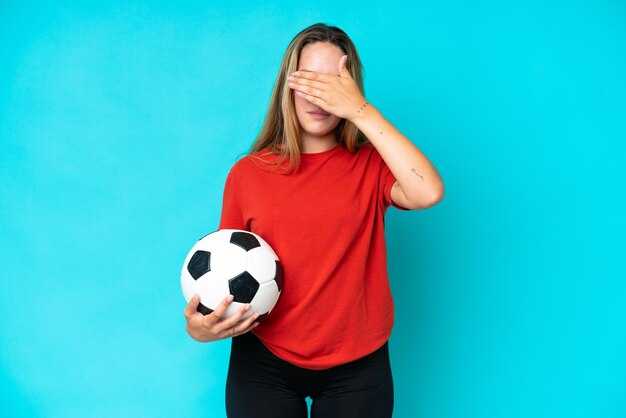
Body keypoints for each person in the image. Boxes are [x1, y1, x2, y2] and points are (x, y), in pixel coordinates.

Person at [183, 22, 444, 418]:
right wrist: (200, 327)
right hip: (264, 361)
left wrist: (360, 111)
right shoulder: (247, 174)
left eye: (333, 84)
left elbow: (428, 192)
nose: (320, 96)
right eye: (308, 80)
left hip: (358, 362)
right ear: (287, 85)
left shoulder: (372, 166)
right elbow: (223, 274)